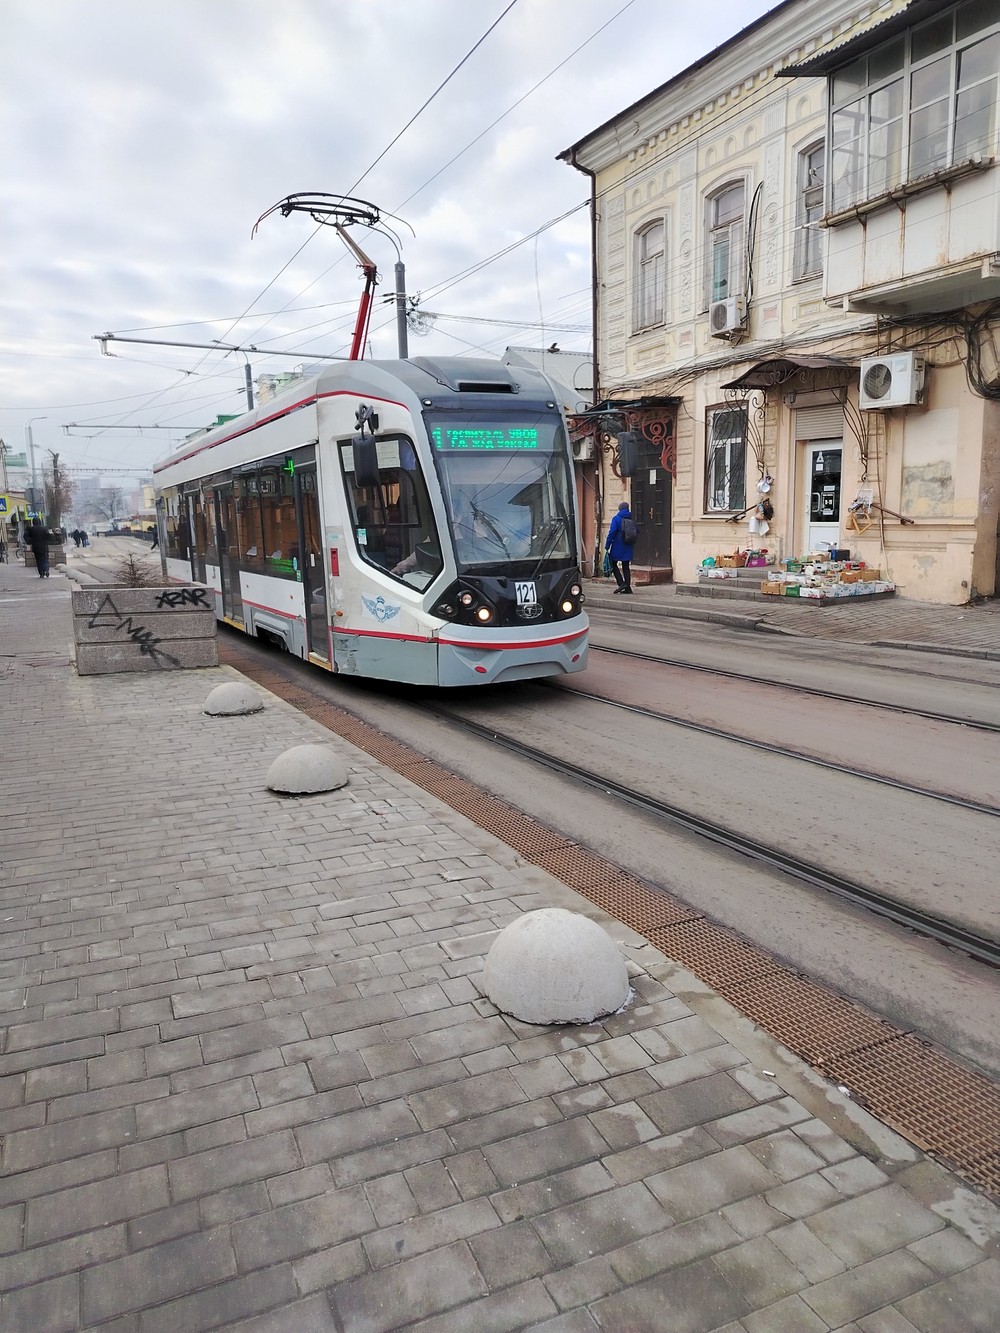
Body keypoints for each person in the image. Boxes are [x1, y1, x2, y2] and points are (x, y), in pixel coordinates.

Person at [605, 500, 636, 594]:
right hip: (628, 545)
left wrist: (607, 545)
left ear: (619, 509)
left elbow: (612, 532)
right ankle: (628, 587)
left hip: (618, 545)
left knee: (613, 564)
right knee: (626, 566)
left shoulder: (616, 518)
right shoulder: (631, 518)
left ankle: (621, 583)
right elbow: (637, 530)